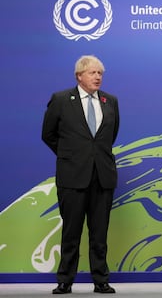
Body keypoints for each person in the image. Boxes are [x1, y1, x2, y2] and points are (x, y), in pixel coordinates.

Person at [42, 55, 119, 294]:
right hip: (72, 176)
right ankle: (65, 279)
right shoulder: (62, 99)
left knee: (99, 233)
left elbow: (111, 135)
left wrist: (94, 157)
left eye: (100, 73)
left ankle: (100, 280)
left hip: (102, 177)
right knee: (71, 231)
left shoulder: (110, 101)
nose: (98, 77)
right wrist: (72, 155)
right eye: (93, 73)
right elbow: (48, 134)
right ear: (79, 76)